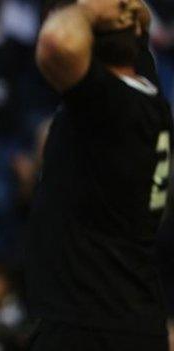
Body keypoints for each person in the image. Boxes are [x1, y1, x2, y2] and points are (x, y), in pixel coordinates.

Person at [26, 0, 172, 350]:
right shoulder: (146, 91)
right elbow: (140, 20)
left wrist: (89, 12)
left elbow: (56, 42)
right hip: (130, 318)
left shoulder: (110, 104)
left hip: (90, 325)